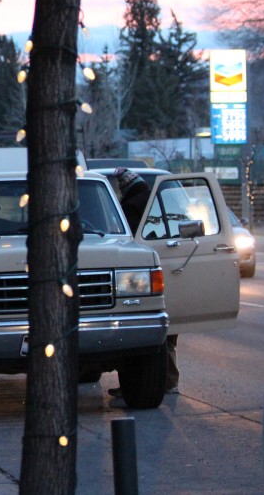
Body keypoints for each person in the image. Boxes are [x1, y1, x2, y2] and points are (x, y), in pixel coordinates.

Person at [111, 167, 179, 396]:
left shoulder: (129, 208)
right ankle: (169, 380)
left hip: (137, 278)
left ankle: (150, 383)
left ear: (126, 189)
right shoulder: (159, 205)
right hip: (170, 268)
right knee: (169, 332)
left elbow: (124, 241)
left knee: (138, 335)